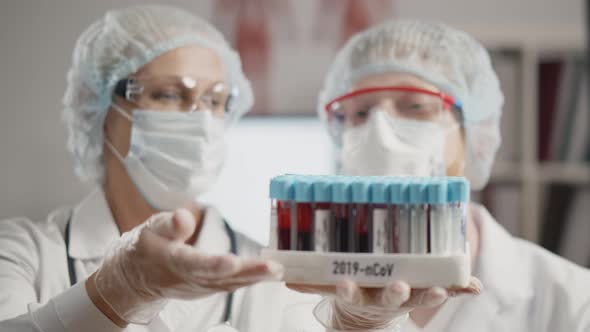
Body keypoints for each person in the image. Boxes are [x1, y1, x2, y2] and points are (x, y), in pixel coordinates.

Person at [0, 5, 476, 332]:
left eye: (216, 101)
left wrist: (356, 327)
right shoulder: (22, 253)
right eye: (170, 94)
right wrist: (114, 292)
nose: (200, 119)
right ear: (100, 110)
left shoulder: (275, 271)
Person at [310, 19, 590, 331]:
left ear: (474, 133)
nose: (379, 132)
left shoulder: (574, 302)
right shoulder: (291, 290)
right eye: (360, 112)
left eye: (414, 105)